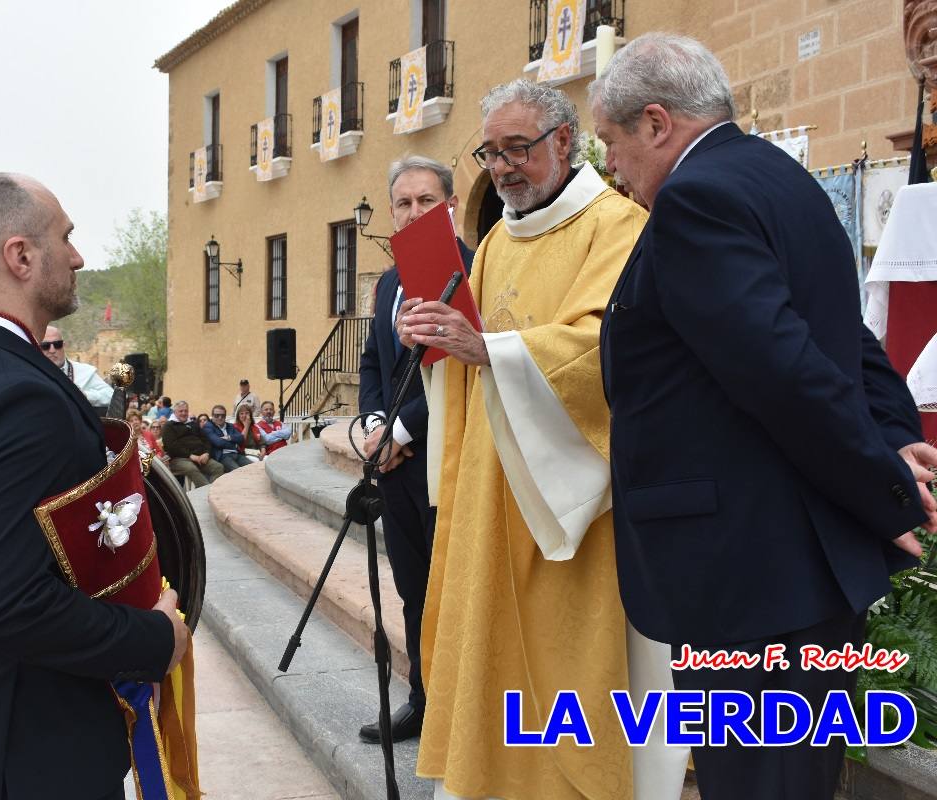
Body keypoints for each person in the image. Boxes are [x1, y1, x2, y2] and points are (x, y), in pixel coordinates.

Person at [592, 33, 937, 800]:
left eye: (613, 143)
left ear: (655, 123)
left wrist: (883, 483)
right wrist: (893, 437)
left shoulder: (694, 199)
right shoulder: (782, 176)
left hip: (746, 571)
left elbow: (782, 368)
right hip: (793, 566)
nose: (612, 167)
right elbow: (842, 334)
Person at [398, 78, 683, 800]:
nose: (502, 168)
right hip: (493, 498)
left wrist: (492, 349)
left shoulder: (618, 228)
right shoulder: (494, 241)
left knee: (571, 676)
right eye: (489, 154)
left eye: (517, 149)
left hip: (572, 511)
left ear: (565, 141)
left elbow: (606, 353)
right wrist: (433, 337)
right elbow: (470, 360)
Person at [0, 172, 188, 800]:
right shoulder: (25, 396)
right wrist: (155, 639)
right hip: (39, 753)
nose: (77, 256)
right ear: (20, 256)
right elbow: (9, 605)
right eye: (65, 238)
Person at [355, 154, 475, 746]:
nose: (414, 212)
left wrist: (398, 434)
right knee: (413, 588)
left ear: (450, 205)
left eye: (426, 200)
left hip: (447, 460)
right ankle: (422, 700)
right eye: (403, 203)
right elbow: (374, 362)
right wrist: (376, 424)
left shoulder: (473, 270)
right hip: (396, 471)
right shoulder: (388, 283)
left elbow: (456, 367)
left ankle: (465, 715)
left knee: (454, 590)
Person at [39, 325, 115, 407]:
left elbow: (111, 396)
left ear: (64, 346)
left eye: (57, 344)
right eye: (45, 346)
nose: (52, 350)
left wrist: (85, 396)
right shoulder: (31, 370)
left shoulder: (84, 371)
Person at [162, 401, 224, 487]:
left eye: (186, 411)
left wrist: (207, 453)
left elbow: (205, 440)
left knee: (218, 467)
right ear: (174, 412)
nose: (184, 413)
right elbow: (172, 447)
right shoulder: (169, 426)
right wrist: (191, 456)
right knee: (191, 469)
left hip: (200, 457)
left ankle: (214, 491)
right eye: (181, 411)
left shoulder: (193, 424)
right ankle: (206, 494)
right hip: (179, 459)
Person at [203, 405, 252, 472]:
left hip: (236, 454)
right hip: (223, 456)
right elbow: (218, 442)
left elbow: (241, 438)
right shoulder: (208, 426)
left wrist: (229, 437)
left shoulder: (230, 426)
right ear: (212, 416)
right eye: (217, 415)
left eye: (222, 415)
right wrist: (234, 444)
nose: (220, 418)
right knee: (238, 471)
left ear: (225, 416)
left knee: (253, 467)